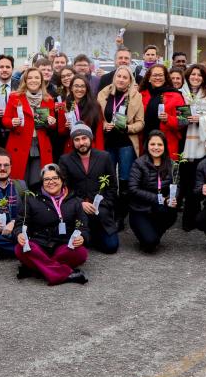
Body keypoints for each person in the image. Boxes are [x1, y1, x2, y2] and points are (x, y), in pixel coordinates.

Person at [14, 163, 90, 285]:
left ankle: (36, 269)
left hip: (63, 244)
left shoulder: (75, 200)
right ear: (42, 182)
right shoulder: (32, 199)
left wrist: (82, 237)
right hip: (39, 243)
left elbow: (83, 226)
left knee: (81, 253)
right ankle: (66, 274)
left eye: (55, 178)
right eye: (46, 179)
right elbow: (20, 223)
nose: (51, 182)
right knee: (20, 249)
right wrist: (19, 234)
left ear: (62, 180)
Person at [58, 124, 119, 253]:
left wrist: (104, 204)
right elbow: (63, 189)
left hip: (101, 211)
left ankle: (91, 236)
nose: (81, 143)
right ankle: (87, 235)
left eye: (84, 138)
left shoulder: (104, 157)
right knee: (70, 246)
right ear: (72, 142)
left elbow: (112, 186)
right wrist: (80, 203)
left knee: (111, 247)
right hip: (77, 211)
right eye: (77, 139)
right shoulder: (65, 160)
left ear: (90, 138)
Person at [97, 65, 144, 228]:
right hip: (107, 143)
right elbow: (97, 117)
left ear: (130, 80)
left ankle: (121, 216)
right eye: (119, 76)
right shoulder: (103, 94)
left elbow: (141, 123)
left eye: (125, 77)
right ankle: (108, 211)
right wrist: (104, 124)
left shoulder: (136, 96)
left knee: (124, 180)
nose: (121, 80)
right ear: (114, 77)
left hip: (126, 144)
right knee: (108, 179)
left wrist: (127, 128)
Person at [2, 67, 56, 188]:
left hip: (40, 145)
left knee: (37, 181)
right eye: (30, 78)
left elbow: (52, 124)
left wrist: (52, 122)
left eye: (37, 77)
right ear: (25, 80)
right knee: (19, 181)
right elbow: (5, 120)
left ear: (41, 81)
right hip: (19, 143)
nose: (33, 80)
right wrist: (12, 122)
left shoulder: (48, 99)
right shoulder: (15, 97)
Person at [128, 131, 177, 253]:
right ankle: (148, 236)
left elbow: (177, 184)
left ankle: (152, 235)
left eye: (160, 144)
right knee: (150, 244)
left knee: (171, 213)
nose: (156, 147)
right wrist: (159, 198)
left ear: (164, 146)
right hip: (140, 209)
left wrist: (172, 197)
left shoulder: (171, 164)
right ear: (147, 145)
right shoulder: (139, 163)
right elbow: (133, 189)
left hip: (159, 208)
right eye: (152, 144)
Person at [178, 64, 206, 231]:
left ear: (204, 78)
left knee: (198, 181)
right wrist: (183, 119)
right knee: (185, 181)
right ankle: (188, 218)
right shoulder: (181, 92)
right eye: (193, 74)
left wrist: (201, 119)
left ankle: (196, 217)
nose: (196, 77)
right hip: (183, 142)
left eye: (199, 75)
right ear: (187, 76)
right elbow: (176, 116)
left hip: (201, 145)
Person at [138, 64, 185, 157]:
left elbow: (184, 121)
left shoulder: (177, 95)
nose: (158, 78)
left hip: (168, 144)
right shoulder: (140, 95)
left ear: (165, 78)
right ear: (149, 78)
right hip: (144, 143)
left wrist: (168, 119)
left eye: (160, 75)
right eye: (155, 75)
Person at [59, 75, 105, 154]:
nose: (79, 89)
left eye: (83, 86)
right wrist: (66, 127)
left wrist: (100, 152)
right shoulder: (64, 106)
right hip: (71, 149)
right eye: (76, 86)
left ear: (87, 89)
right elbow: (60, 131)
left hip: (91, 148)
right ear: (71, 88)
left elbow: (99, 131)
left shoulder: (94, 105)